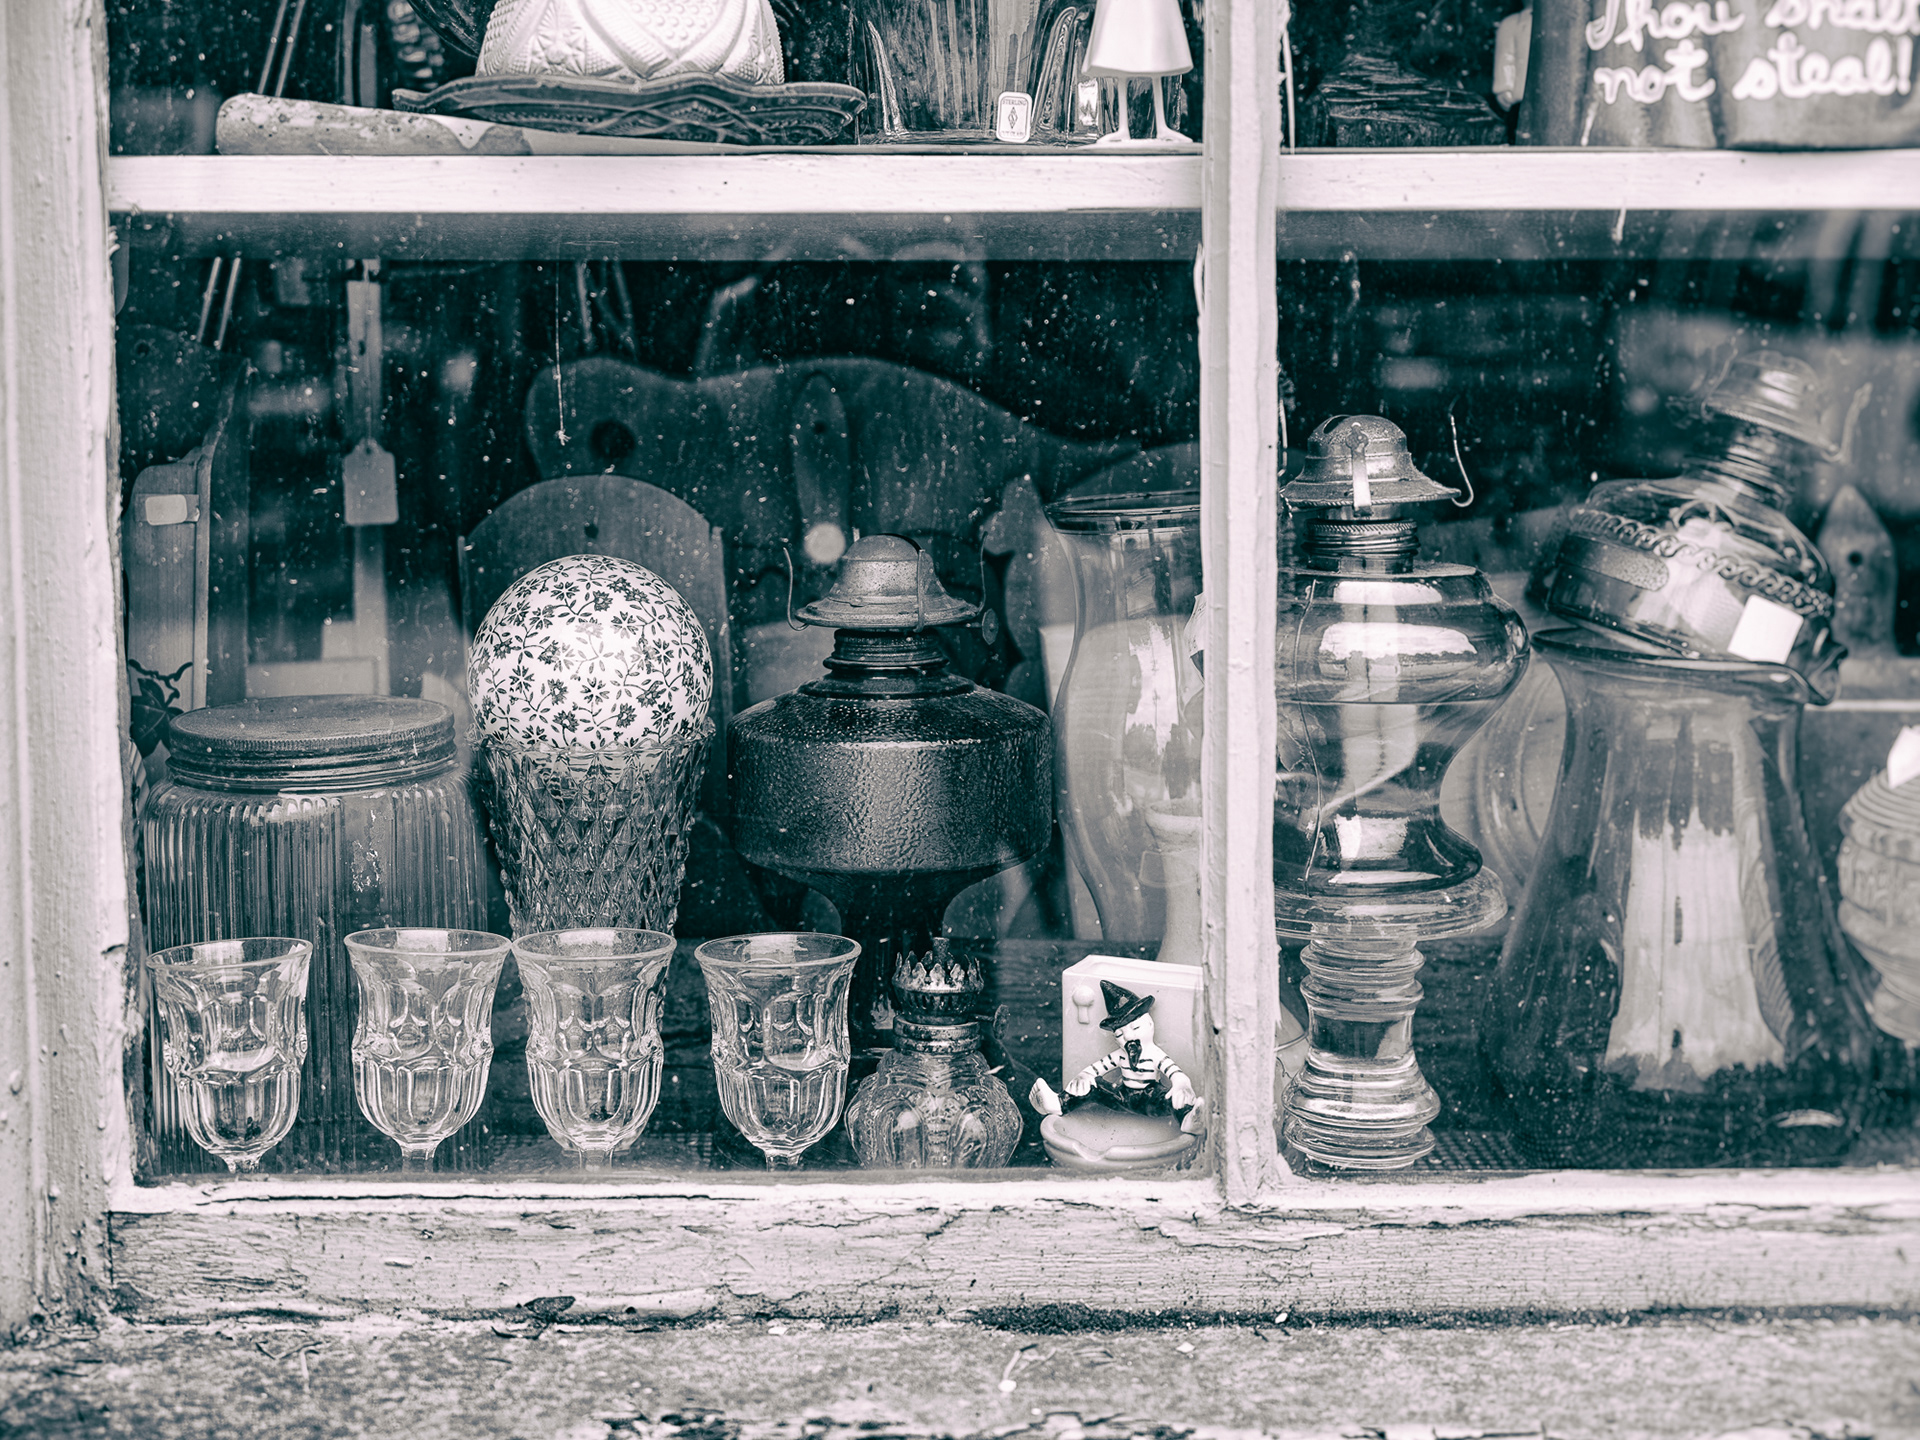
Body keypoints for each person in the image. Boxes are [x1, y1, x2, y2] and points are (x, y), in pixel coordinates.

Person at [1030, 979, 1204, 1133]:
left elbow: (1174, 1072)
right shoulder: (1120, 1055)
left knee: (1173, 1099)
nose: (1128, 1036)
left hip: (1150, 1099)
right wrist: (1084, 1076)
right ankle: (1059, 1103)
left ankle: (1187, 1119)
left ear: (1150, 1024)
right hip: (1122, 1097)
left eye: (1135, 1028)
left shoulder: (1155, 1053)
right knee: (1092, 1086)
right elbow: (1097, 1068)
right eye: (1120, 1034)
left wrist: (1182, 1083)